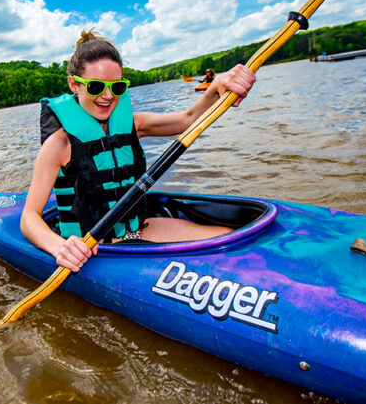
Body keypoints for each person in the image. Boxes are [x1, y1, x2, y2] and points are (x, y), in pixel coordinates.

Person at [20, 30, 256, 272]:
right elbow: (29, 218)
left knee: (226, 238)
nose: (108, 95)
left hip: (136, 230)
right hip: (91, 247)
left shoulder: (134, 125)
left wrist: (215, 88)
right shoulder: (59, 145)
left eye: (117, 86)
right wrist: (60, 248)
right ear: (74, 84)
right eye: (95, 86)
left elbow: (189, 119)